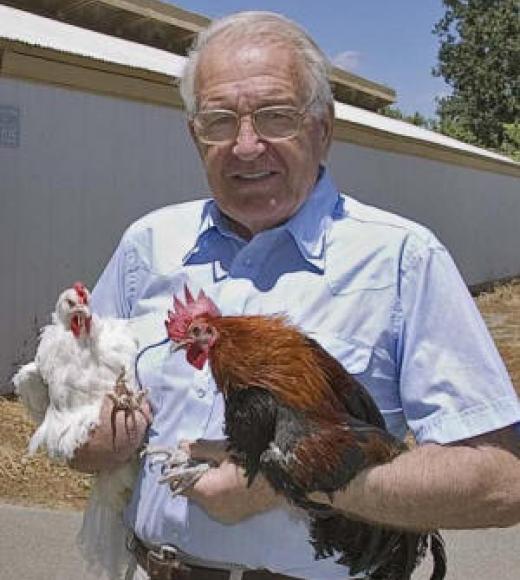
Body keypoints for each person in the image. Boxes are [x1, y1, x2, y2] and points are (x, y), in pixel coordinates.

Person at [73, 11, 520, 580]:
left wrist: (288, 480)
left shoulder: (403, 258)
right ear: (194, 135)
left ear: (323, 128)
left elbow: (501, 481)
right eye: (219, 121)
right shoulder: (148, 244)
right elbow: (78, 412)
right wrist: (89, 440)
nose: (246, 145)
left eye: (276, 116)